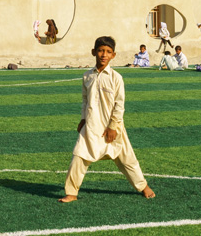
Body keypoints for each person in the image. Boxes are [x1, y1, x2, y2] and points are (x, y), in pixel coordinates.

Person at [59, 36, 155, 203]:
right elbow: (84, 100)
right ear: (94, 52)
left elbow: (119, 105)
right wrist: (83, 119)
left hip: (113, 126)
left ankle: (143, 186)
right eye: (101, 50)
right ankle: (71, 192)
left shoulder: (116, 77)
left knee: (127, 159)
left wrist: (112, 126)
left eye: (108, 52)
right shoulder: (87, 76)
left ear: (113, 55)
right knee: (79, 156)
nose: (104, 54)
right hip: (91, 124)